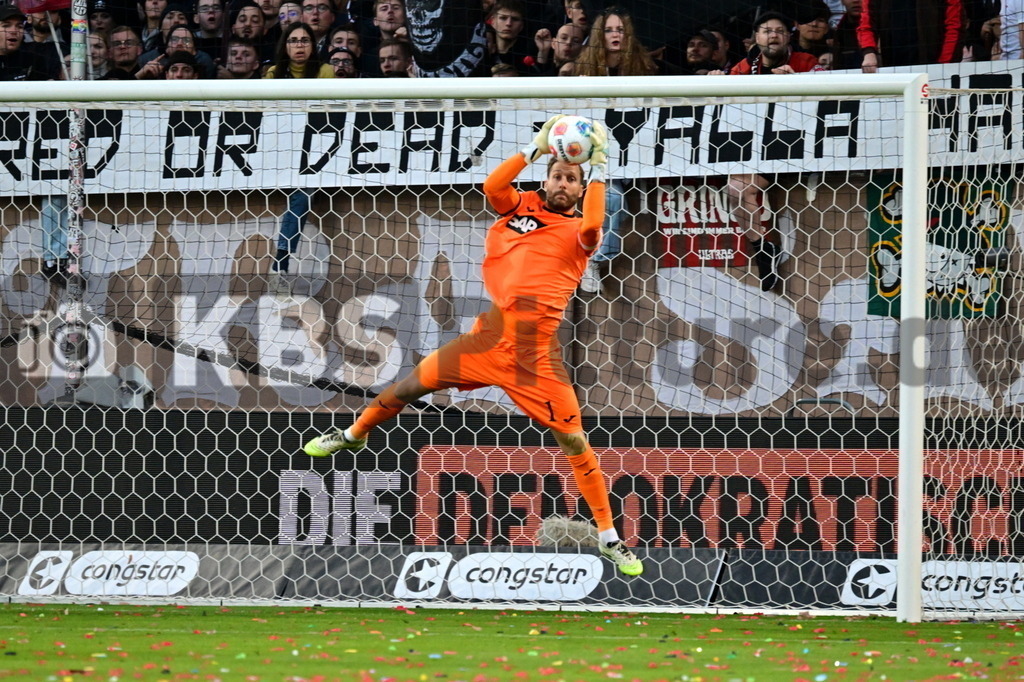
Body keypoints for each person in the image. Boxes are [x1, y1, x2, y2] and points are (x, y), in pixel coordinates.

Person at [302, 115, 644, 578]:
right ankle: (352, 435)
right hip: (487, 338)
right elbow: (491, 185)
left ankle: (609, 539)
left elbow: (595, 224)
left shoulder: (583, 232)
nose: (563, 184)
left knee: (574, 441)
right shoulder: (518, 207)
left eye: (572, 179)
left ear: (581, 188)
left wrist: (600, 169)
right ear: (546, 178)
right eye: (558, 175)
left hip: (534, 357)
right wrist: (535, 147)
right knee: (407, 388)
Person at [712, 11, 823, 292]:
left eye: (778, 30)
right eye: (766, 30)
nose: (772, 35)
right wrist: (715, 80)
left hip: (798, 144)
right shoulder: (745, 65)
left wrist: (799, 81)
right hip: (759, 147)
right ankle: (763, 248)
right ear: (755, 38)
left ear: (789, 37)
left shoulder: (806, 62)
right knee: (735, 188)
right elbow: (725, 90)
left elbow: (827, 93)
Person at [573, 7, 656, 294]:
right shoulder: (582, 68)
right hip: (588, 150)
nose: (615, 35)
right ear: (600, 35)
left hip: (629, 153)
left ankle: (596, 260)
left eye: (620, 29)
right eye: (609, 30)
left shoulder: (643, 67)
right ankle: (586, 260)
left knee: (613, 197)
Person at [265, 21, 334, 299]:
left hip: (318, 151)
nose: (299, 45)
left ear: (313, 45)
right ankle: (281, 266)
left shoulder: (325, 71)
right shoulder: (273, 74)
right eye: (293, 40)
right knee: (301, 194)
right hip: (282, 151)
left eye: (305, 40)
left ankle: (279, 265)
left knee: (303, 194)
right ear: (285, 45)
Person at [856, 0, 962, 71]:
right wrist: (869, 53)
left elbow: (954, 25)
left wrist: (944, 64)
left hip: (934, 68)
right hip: (894, 70)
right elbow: (866, 24)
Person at [489, 0, 531, 74]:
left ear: (521, 26)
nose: (508, 23)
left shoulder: (527, 55)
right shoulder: (483, 52)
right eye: (503, 18)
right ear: (493, 21)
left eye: (515, 19)